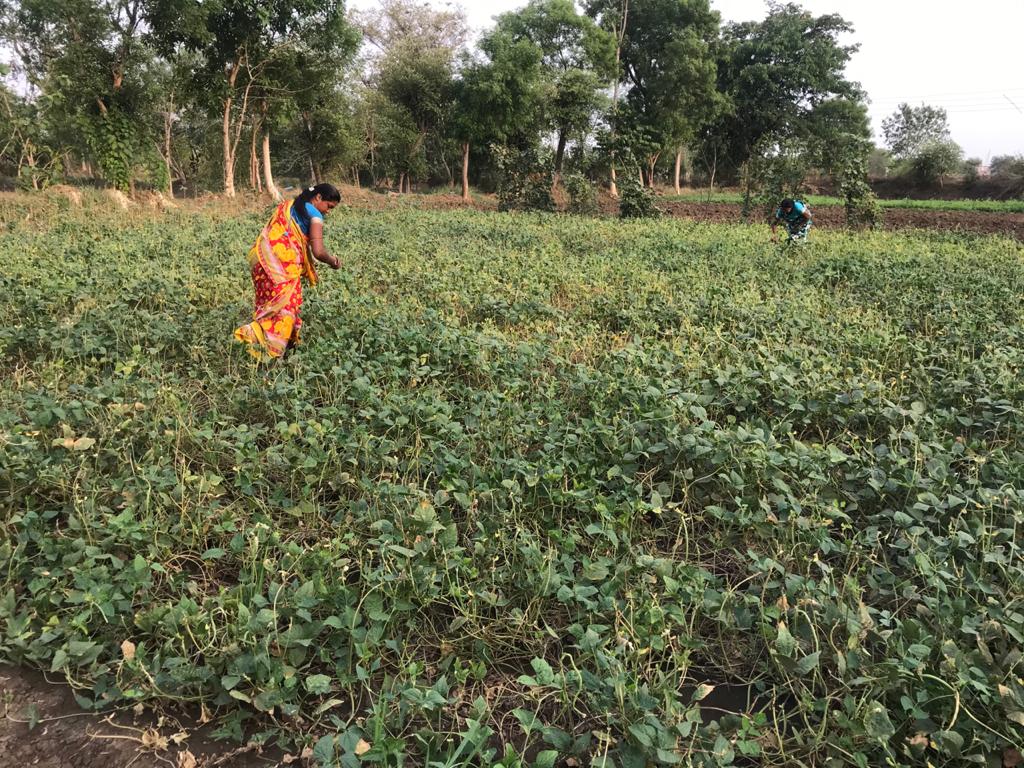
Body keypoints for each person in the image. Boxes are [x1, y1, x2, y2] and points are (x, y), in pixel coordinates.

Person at [233, 183, 342, 361]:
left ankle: (277, 353)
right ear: (319, 198)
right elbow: (319, 252)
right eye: (329, 207)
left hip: (263, 262)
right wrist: (334, 262)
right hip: (282, 269)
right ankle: (257, 346)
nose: (328, 212)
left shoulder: (290, 206)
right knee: (283, 312)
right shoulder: (315, 215)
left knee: (270, 308)